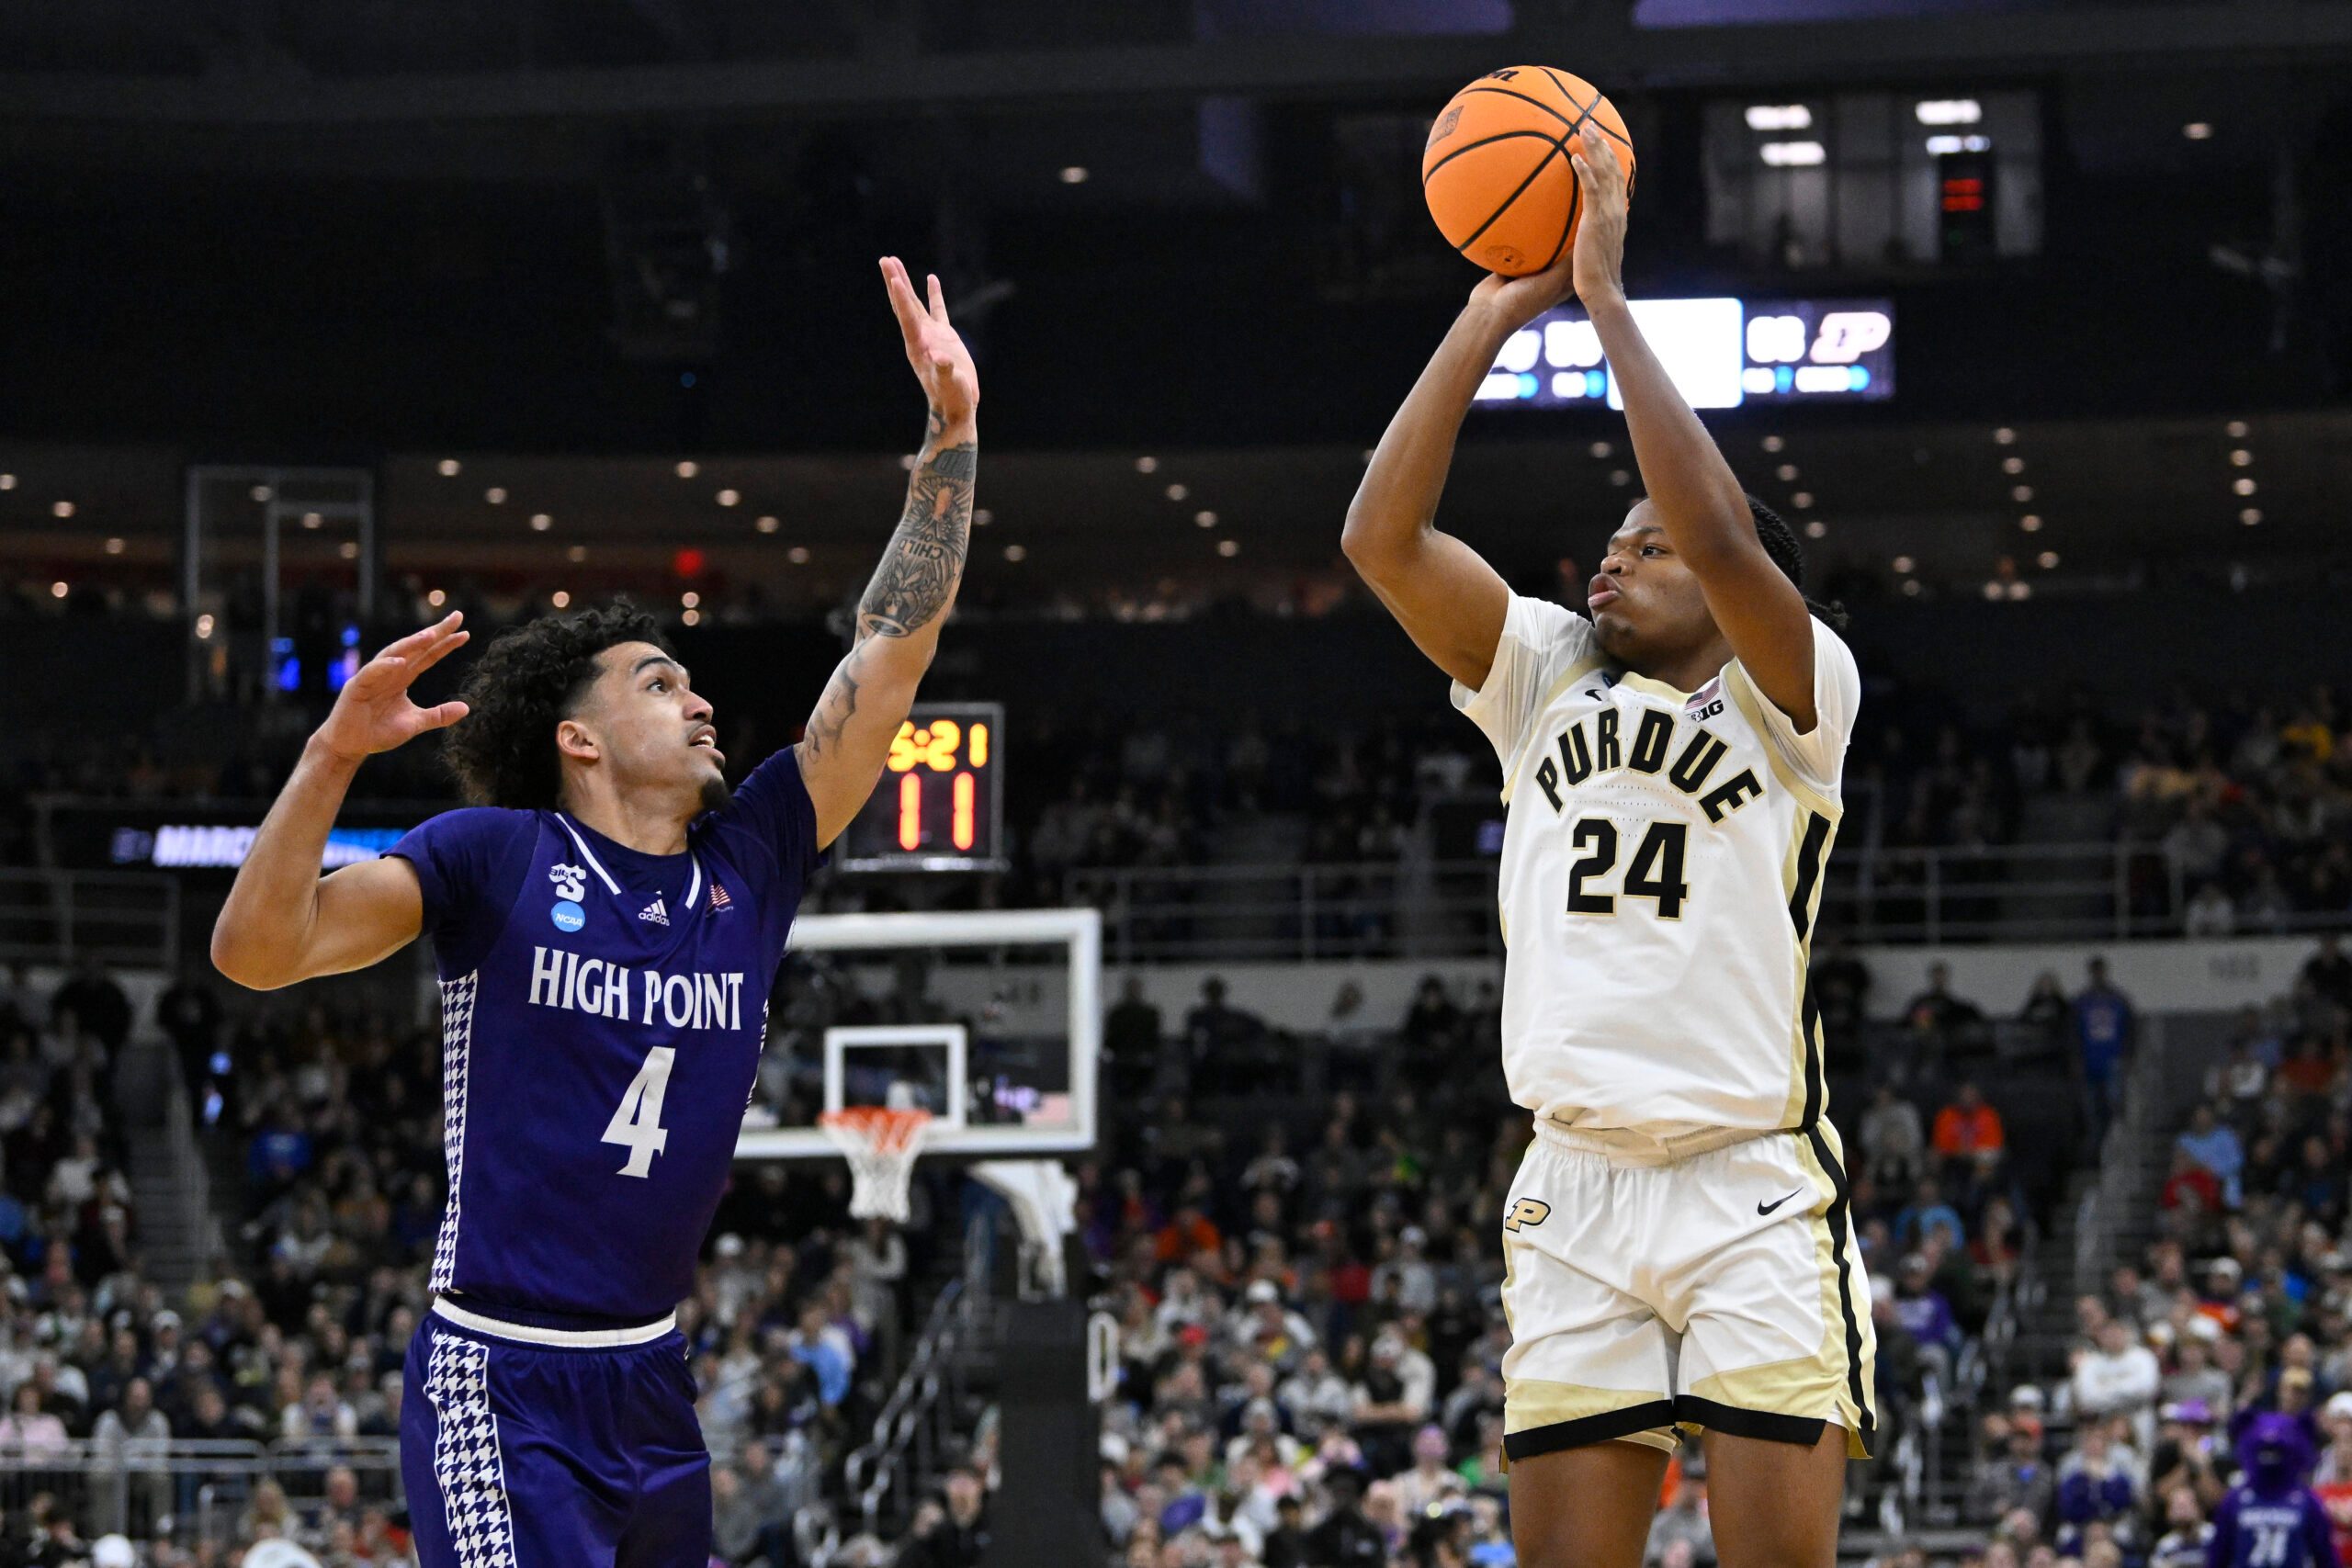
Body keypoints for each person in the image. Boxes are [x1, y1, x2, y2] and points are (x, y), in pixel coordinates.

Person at [207, 255, 979, 1568]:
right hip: (500, 1374)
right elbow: (258, 950)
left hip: (650, 1378)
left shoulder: (756, 852)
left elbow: (889, 652)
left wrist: (950, 436)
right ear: (577, 737)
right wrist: (332, 754)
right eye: (661, 681)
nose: (700, 700)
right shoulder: (491, 858)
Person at [1342, 125, 1871, 1568]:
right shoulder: (1546, 671)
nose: (1609, 562)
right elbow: (1381, 538)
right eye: (1610, 546)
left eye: (1642, 549)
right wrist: (1488, 313)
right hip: (1572, 1185)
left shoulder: (1795, 688)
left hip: (1749, 1181)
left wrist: (1610, 300)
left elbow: (1713, 523)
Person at [2074, 958, 2136, 1145]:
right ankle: (2097, 1141)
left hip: (2113, 1059)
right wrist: (2076, 1058)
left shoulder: (2118, 1000)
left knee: (2114, 1102)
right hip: (2089, 1061)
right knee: (2092, 1107)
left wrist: (2129, 1055)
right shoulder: (2082, 1002)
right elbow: (2074, 1033)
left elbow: (2130, 1029)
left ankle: (2116, 1140)